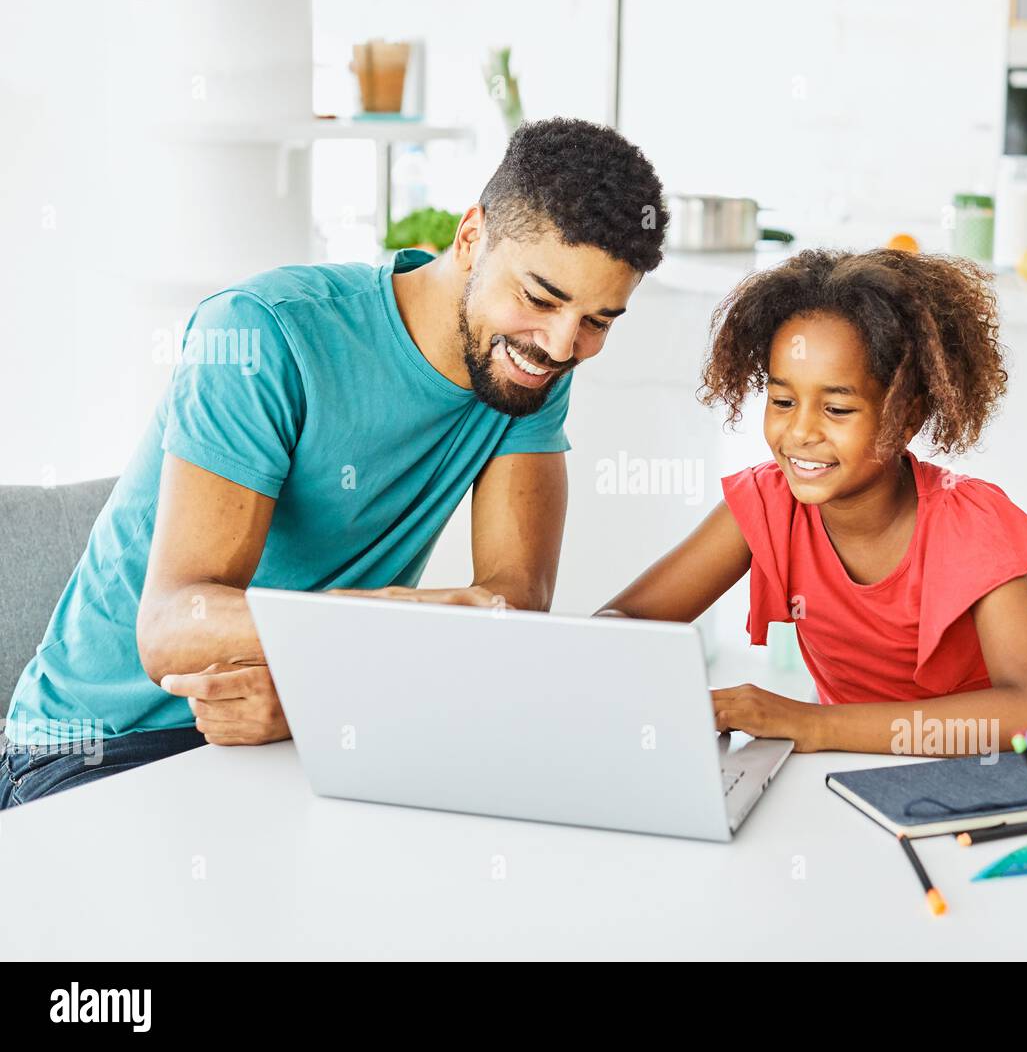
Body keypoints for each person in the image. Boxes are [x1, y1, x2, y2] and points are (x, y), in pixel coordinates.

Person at [0, 118, 668, 807]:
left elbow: (512, 607)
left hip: (298, 735)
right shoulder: (264, 331)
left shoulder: (526, 369)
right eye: (540, 298)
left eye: (599, 321)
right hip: (95, 752)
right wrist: (388, 628)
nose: (562, 344)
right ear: (471, 238)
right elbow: (173, 628)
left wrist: (314, 691)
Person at [599, 248, 1027, 754]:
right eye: (782, 401)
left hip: (979, 782)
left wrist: (816, 725)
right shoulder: (769, 503)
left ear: (905, 418)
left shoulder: (967, 526)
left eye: (838, 408)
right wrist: (602, 644)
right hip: (845, 779)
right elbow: (628, 622)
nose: (801, 432)